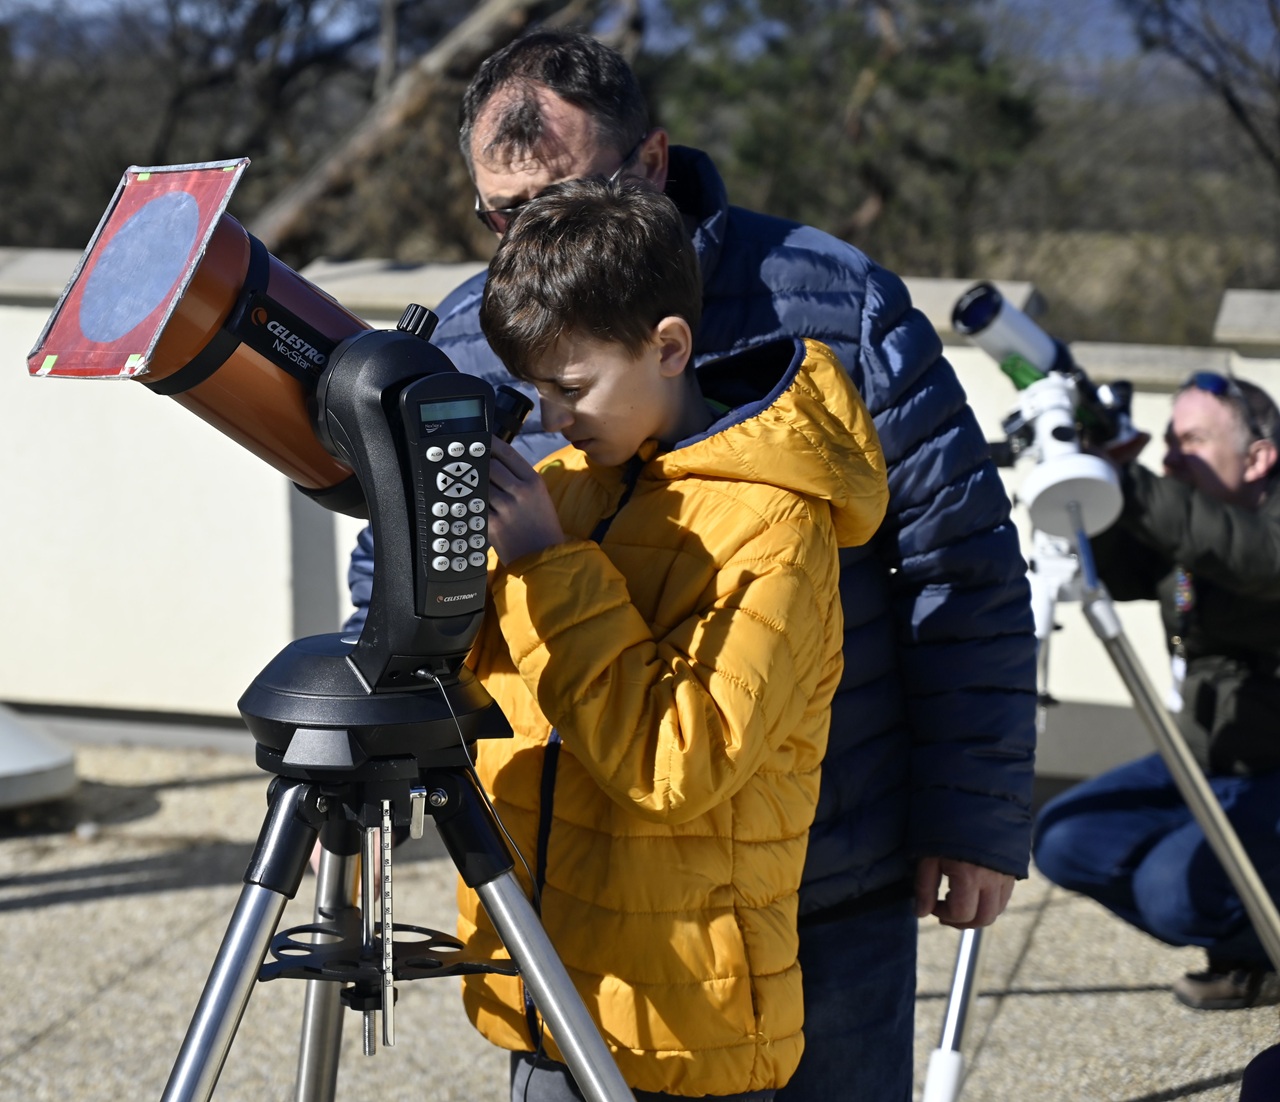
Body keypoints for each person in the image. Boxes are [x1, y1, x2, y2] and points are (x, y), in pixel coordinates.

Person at [345, 30, 1038, 1098]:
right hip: (580, 884)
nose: (529, 237)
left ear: (651, 162)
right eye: (501, 213)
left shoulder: (836, 301)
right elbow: (397, 571)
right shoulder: (486, 330)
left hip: (826, 866)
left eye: (563, 196)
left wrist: (973, 812)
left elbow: (958, 564)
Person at [460, 173, 888, 1099]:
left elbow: (675, 763)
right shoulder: (567, 488)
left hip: (688, 1026)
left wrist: (549, 563)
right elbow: (492, 694)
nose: (552, 418)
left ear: (668, 346)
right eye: (534, 390)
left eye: (572, 387)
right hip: (551, 984)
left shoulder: (775, 528)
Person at [1033, 372, 1280, 1011]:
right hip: (1206, 757)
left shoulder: (1256, 527)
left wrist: (1129, 478)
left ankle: (1262, 949)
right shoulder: (1191, 527)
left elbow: (1247, 555)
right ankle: (1257, 950)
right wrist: (1089, 478)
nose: (1170, 460)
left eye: (1190, 442)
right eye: (1166, 444)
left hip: (1272, 769)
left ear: (1258, 458)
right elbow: (1120, 568)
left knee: (1177, 891)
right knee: (1064, 837)